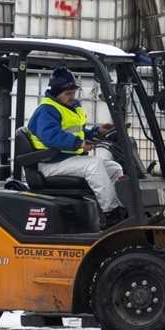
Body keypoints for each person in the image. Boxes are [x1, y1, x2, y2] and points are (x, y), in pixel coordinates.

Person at [27, 67, 128, 226]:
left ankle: (123, 210)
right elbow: (51, 136)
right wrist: (78, 143)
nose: (72, 97)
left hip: (67, 159)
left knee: (114, 168)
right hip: (50, 162)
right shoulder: (47, 110)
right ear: (56, 92)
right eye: (68, 94)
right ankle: (111, 214)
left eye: (73, 93)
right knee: (93, 165)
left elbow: (78, 132)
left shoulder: (70, 108)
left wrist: (96, 131)